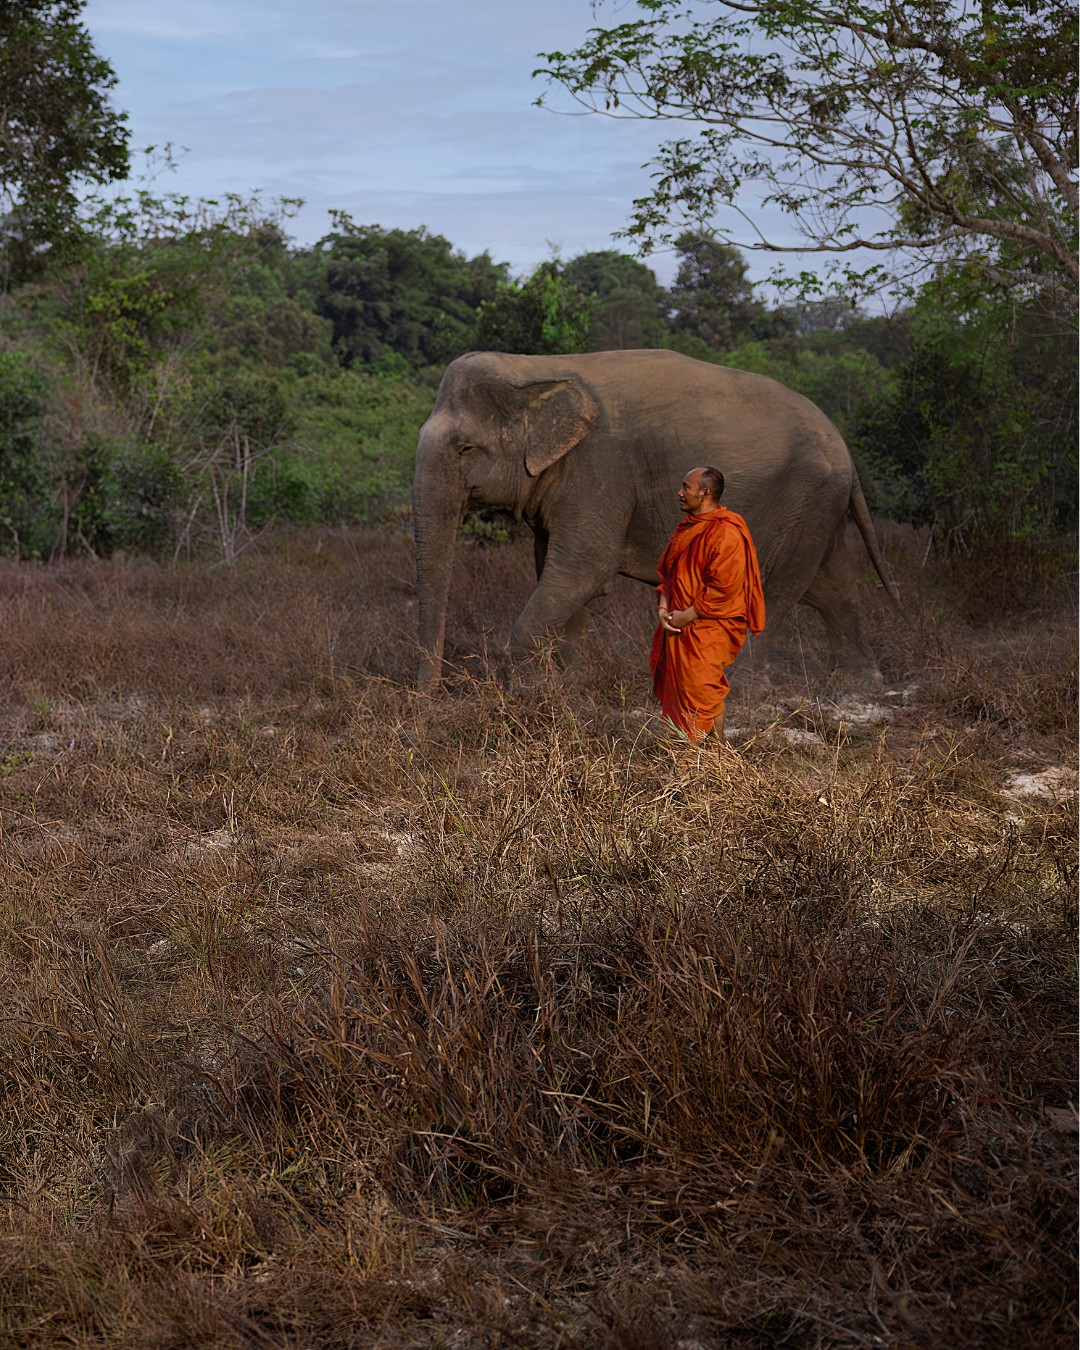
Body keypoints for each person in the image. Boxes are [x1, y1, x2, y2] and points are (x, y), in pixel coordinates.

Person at [651, 466, 766, 746]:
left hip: (708, 625)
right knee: (692, 691)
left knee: (702, 689)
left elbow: (724, 587)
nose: (679, 493)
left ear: (705, 493)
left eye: (685, 488)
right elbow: (669, 573)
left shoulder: (726, 532)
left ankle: (691, 760)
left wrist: (687, 616)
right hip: (679, 621)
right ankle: (714, 757)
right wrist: (664, 608)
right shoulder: (688, 528)